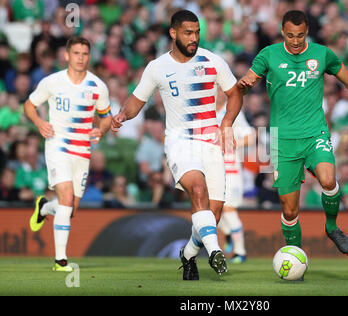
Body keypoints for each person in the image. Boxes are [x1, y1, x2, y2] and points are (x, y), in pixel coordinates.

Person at [237, 10, 348, 259]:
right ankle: (295, 254)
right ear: (283, 32)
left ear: (307, 33)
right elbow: (249, 79)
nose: (296, 41)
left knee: (328, 179)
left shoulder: (321, 54)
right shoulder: (268, 55)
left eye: (301, 35)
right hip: (283, 140)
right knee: (290, 209)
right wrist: (246, 83)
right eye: (291, 35)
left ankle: (331, 226)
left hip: (315, 131)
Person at [111, 10, 243, 280]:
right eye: (187, 33)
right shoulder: (157, 67)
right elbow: (137, 100)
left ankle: (188, 254)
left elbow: (234, 93)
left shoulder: (213, 61)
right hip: (180, 141)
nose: (194, 38)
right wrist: (123, 114)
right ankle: (216, 251)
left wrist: (227, 121)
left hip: (211, 143)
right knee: (197, 189)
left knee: (212, 214)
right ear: (173, 33)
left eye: (196, 32)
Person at [24, 36, 112, 272]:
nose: (80, 58)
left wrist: (101, 130)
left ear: (89, 57)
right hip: (58, 146)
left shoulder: (97, 86)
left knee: (69, 210)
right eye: (76, 53)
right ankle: (60, 261)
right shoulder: (52, 82)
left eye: (84, 54)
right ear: (66, 56)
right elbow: (29, 105)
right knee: (66, 199)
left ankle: (44, 208)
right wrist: (40, 122)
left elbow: (107, 117)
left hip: (82, 150)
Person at [216, 88, 254, 263]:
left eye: (218, 88)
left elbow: (251, 136)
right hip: (211, 167)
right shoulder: (206, 112)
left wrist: (232, 143)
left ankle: (241, 252)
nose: (215, 91)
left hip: (230, 169)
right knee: (213, 209)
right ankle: (230, 233)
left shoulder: (232, 111)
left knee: (229, 208)